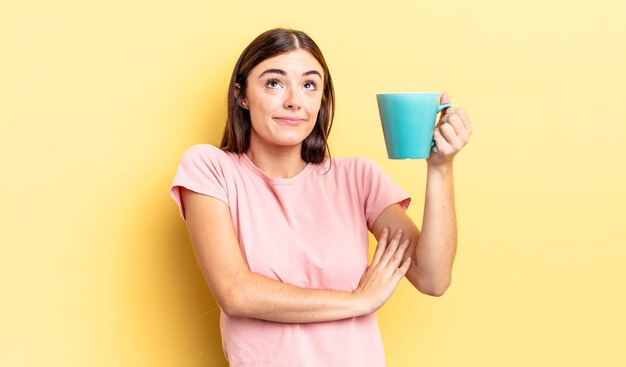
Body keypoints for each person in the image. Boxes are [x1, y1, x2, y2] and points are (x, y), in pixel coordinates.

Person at [169, 28, 472, 367]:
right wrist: (358, 302)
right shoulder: (210, 169)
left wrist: (441, 166)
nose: (294, 100)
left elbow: (433, 278)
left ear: (321, 100)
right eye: (274, 82)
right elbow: (236, 293)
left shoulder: (357, 178)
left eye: (309, 85)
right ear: (241, 95)